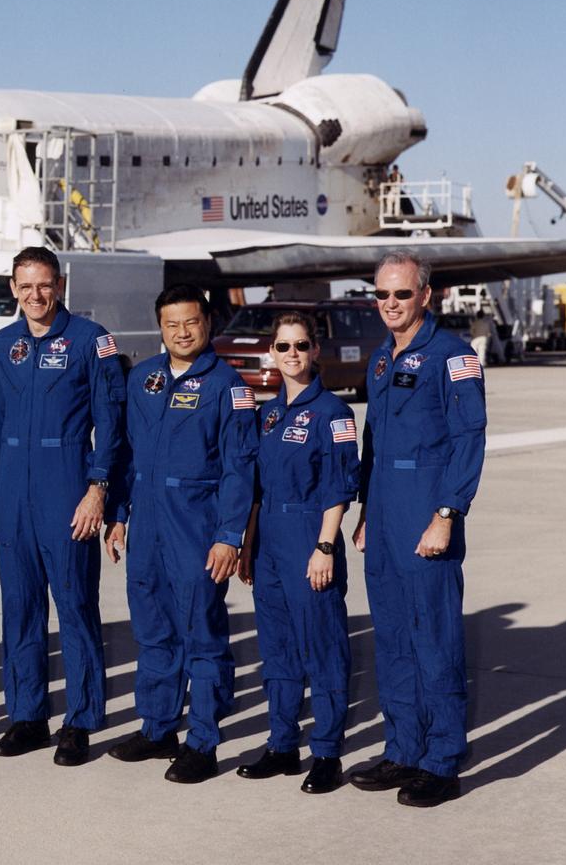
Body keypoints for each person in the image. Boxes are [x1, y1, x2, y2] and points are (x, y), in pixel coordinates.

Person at [0, 246, 126, 766]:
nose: (35, 295)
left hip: (67, 485)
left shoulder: (90, 339)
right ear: (13, 289)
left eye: (44, 285)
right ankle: (27, 716)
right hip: (13, 489)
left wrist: (97, 489)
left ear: (59, 285)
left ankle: (80, 721)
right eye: (25, 286)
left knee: (75, 605)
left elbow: (111, 422)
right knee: (20, 607)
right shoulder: (4, 342)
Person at [350, 250, 487, 807]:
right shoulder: (381, 359)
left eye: (401, 293)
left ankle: (442, 760)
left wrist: (447, 514)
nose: (390, 303)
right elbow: (372, 441)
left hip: (427, 509)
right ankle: (404, 749)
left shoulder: (453, 356)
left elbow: (469, 438)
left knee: (434, 637)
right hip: (384, 513)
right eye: (381, 294)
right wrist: (366, 511)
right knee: (392, 638)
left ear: (425, 296)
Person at [104, 285, 257, 783]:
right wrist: (118, 514)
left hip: (196, 525)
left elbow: (240, 467)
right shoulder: (144, 378)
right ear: (160, 328)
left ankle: (203, 741)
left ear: (208, 323)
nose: (182, 332)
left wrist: (229, 535)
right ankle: (158, 728)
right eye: (172, 324)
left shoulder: (227, 385)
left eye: (191, 322)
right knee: (153, 630)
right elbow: (126, 453)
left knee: (201, 634)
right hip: (146, 523)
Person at [236, 311, 358, 794]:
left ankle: (327, 752)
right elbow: (256, 488)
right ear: (272, 352)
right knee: (277, 650)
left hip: (309, 533)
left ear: (315, 351)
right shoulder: (267, 415)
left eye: (301, 345)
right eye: (284, 346)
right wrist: (248, 543)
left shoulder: (333, 412)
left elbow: (339, 487)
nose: (292, 354)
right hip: (268, 540)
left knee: (322, 647)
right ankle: (283, 744)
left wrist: (325, 545)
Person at [469, 310, 493, 374]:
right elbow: (488, 333)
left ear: (477, 316)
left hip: (475, 338)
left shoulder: (475, 323)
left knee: (474, 351)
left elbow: (471, 331)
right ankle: (481, 364)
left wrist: (473, 335)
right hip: (483, 338)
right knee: (482, 351)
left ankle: (474, 364)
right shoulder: (486, 323)